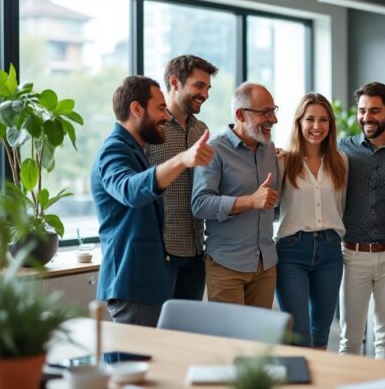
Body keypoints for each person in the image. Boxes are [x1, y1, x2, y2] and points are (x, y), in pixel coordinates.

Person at [92, 75, 214, 326]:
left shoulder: (134, 149)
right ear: (136, 109)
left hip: (149, 283)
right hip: (133, 285)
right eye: (160, 109)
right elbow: (129, 190)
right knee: (133, 365)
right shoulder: (114, 150)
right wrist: (182, 159)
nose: (167, 116)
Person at [338, 82, 385, 359]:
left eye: (374, 110)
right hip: (352, 255)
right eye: (361, 110)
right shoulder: (341, 149)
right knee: (349, 340)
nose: (366, 117)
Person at [192, 82, 279, 308]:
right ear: (241, 114)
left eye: (274, 110)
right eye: (265, 112)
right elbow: (200, 204)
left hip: (265, 265)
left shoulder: (269, 149)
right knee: (229, 342)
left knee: (259, 342)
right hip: (226, 266)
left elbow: (272, 205)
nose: (274, 119)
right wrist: (250, 201)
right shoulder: (214, 150)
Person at [275, 93, 348, 349]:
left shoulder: (341, 161)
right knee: (299, 334)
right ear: (299, 122)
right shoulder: (282, 161)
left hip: (330, 251)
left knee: (321, 333)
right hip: (291, 252)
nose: (317, 127)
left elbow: (341, 206)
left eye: (323, 120)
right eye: (310, 119)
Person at [145, 55, 218, 301]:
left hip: (196, 251)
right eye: (199, 86)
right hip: (160, 252)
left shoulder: (201, 130)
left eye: (207, 88)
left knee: (187, 332)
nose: (205, 94)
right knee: (157, 335)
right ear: (175, 82)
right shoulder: (152, 129)